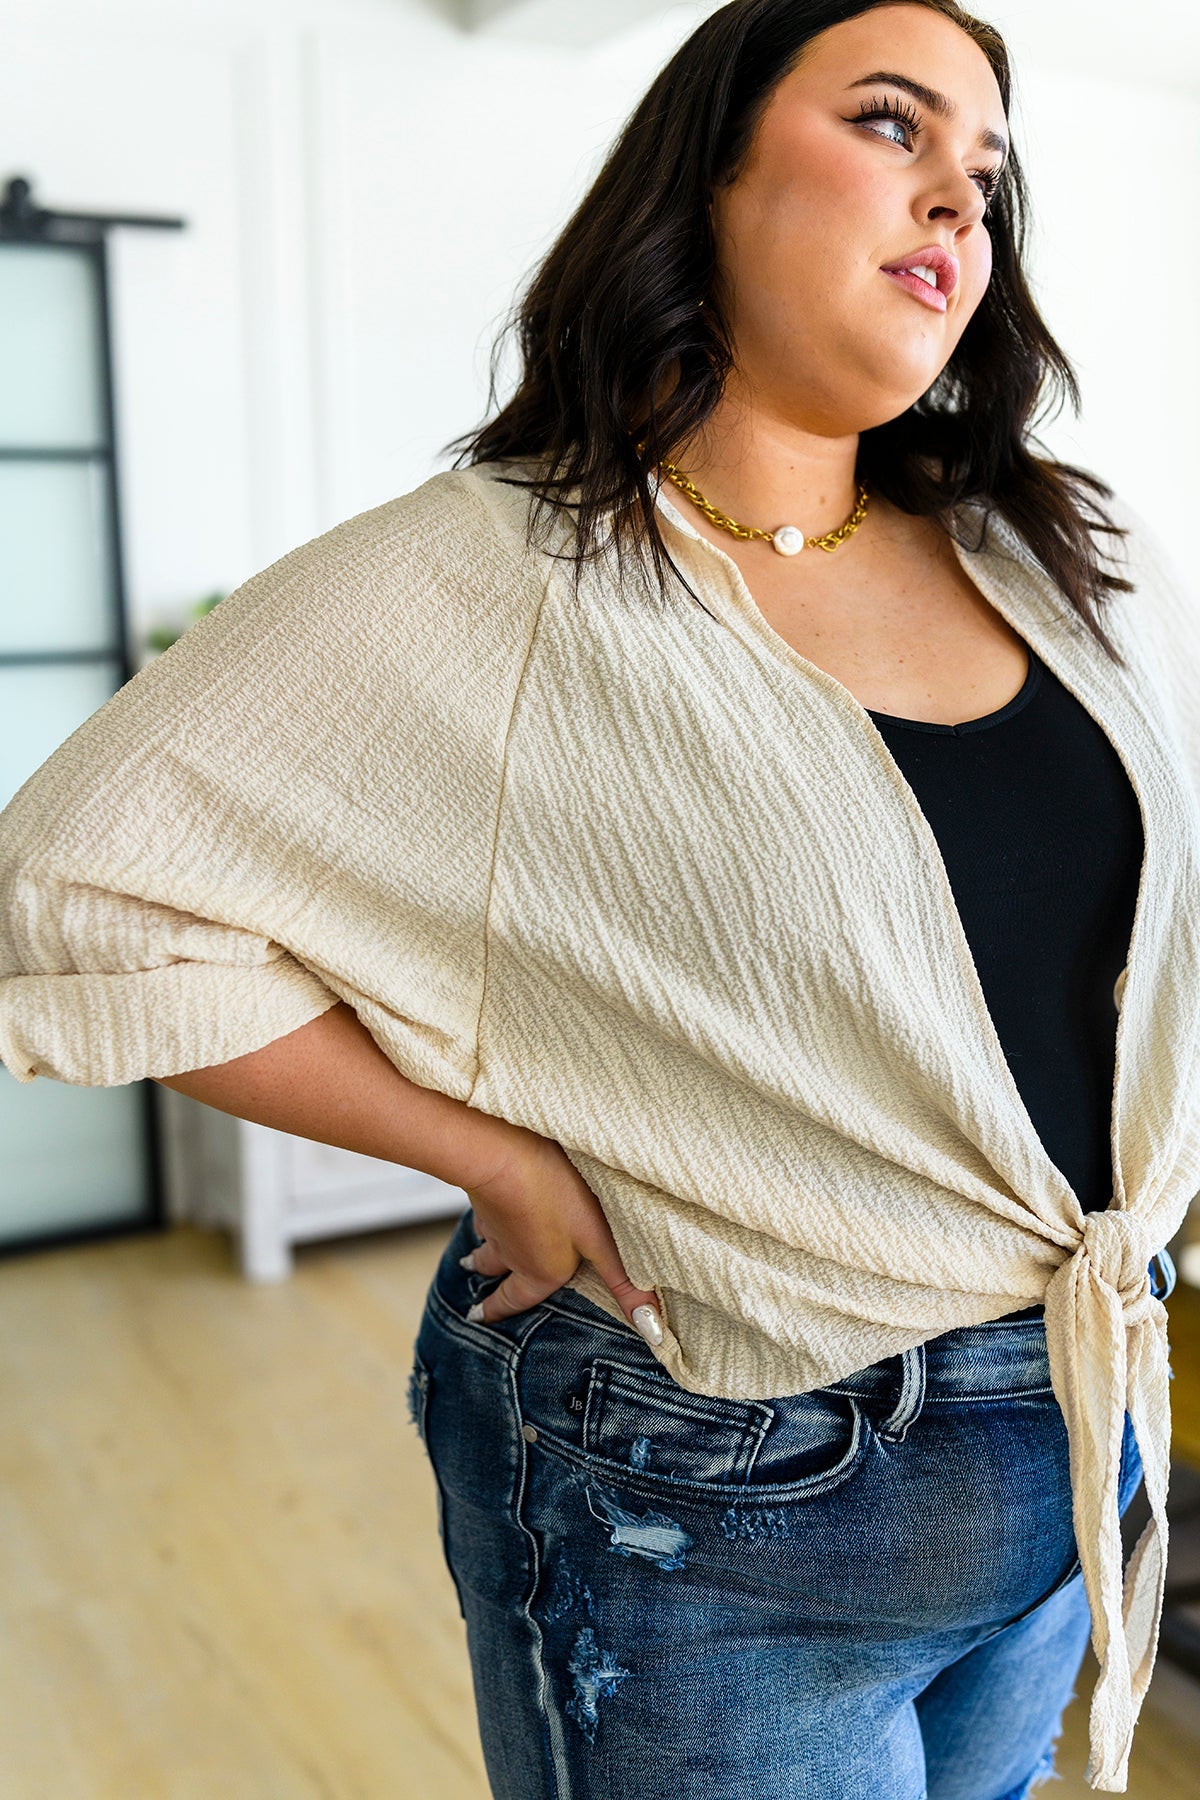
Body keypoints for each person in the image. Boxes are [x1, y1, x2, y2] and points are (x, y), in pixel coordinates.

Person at [1, 0, 1197, 1794]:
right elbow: (70, 888)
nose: (959, 195)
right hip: (720, 1490)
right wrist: (486, 1154)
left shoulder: (1045, 549)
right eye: (893, 124)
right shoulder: (506, 573)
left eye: (987, 167)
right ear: (708, 175)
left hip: (1071, 1427)